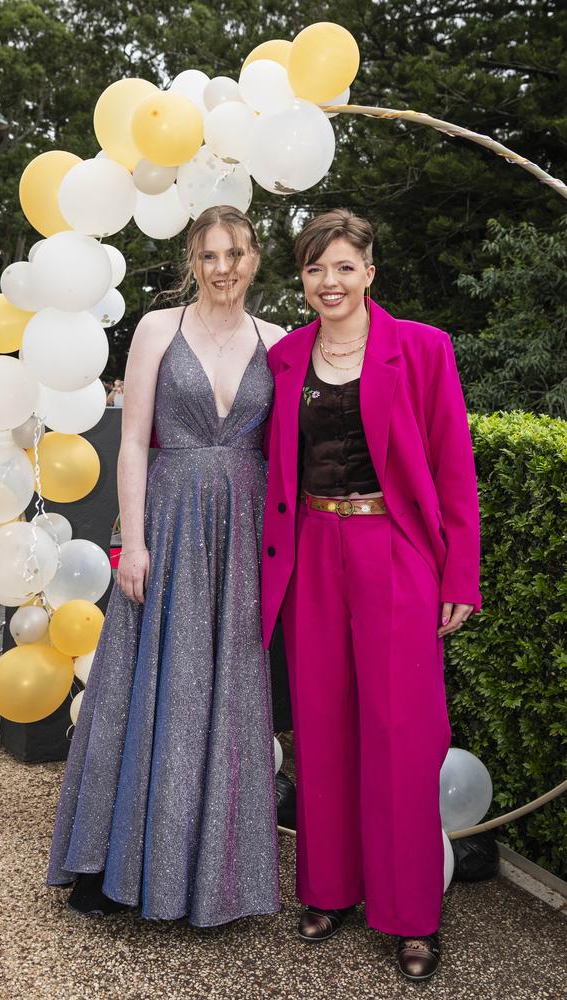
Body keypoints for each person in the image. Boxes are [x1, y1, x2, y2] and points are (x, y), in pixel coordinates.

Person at [47, 206, 286, 927]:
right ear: (192, 259)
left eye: (236, 254)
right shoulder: (159, 329)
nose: (223, 268)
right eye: (210, 255)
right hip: (171, 522)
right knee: (147, 683)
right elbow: (131, 444)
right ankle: (110, 861)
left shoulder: (277, 341)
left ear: (254, 258)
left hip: (243, 533)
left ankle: (210, 873)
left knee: (226, 691)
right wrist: (136, 541)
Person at [261, 210, 480, 980]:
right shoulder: (285, 358)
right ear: (304, 277)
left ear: (370, 273)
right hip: (313, 555)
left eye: (345, 267)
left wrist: (459, 577)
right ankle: (328, 891)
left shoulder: (423, 349)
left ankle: (413, 917)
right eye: (317, 269)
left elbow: (454, 465)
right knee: (320, 728)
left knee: (401, 735)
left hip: (395, 554)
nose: (330, 282)